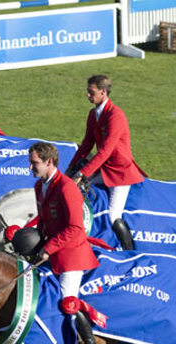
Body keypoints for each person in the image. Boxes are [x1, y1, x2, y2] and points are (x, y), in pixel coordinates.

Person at [29, 141, 102, 344]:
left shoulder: (67, 187)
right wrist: (21, 232)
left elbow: (75, 228)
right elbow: (42, 219)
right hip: (52, 252)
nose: (30, 168)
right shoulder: (39, 186)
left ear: (49, 162)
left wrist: (47, 249)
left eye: (34, 164)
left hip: (71, 256)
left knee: (66, 302)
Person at [66, 75, 145, 250]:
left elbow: (106, 150)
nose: (87, 95)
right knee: (77, 191)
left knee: (113, 215)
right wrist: (70, 168)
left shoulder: (115, 115)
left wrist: (82, 174)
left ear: (103, 92)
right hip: (104, 168)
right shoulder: (93, 114)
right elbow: (87, 144)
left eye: (91, 91)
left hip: (120, 172)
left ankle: (129, 251)